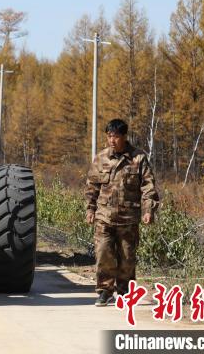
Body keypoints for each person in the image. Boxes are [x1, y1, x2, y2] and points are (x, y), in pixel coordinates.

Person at [84, 119, 159, 307]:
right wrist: (90, 209)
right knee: (103, 255)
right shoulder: (101, 158)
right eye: (109, 136)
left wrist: (148, 210)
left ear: (124, 137)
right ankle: (104, 291)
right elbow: (91, 186)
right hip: (104, 217)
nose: (112, 140)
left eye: (116, 136)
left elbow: (148, 187)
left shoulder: (138, 158)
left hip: (128, 218)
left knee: (127, 259)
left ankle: (125, 293)